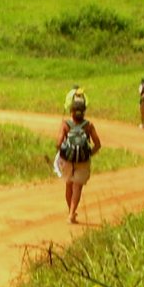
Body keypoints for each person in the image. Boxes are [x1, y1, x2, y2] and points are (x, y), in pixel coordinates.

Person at [56, 96, 102, 224]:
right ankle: (71, 213)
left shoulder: (65, 124)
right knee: (77, 187)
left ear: (71, 111)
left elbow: (58, 143)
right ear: (84, 112)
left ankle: (70, 211)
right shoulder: (89, 126)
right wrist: (88, 154)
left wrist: (63, 153)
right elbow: (97, 144)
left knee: (69, 185)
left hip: (67, 161)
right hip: (83, 161)